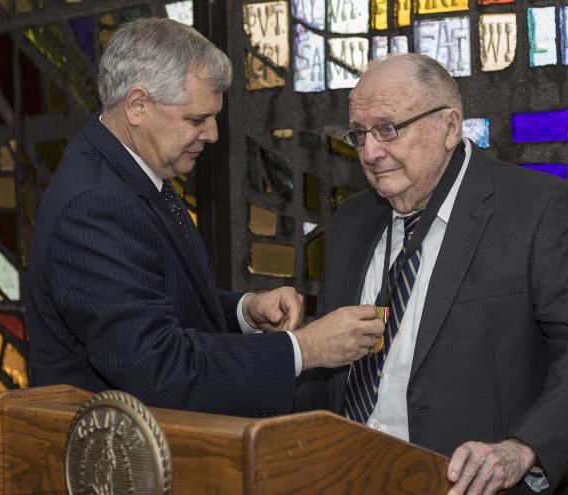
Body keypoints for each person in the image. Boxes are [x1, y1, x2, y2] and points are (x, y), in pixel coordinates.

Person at [294, 53, 568, 494]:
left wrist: (519, 449)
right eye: (360, 135)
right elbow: (328, 375)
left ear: (450, 126)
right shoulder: (354, 218)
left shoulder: (537, 207)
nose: (371, 152)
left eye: (388, 129)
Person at [26, 18, 384, 418]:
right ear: (138, 106)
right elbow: (158, 369)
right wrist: (307, 348)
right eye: (196, 119)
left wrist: (243, 312)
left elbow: (151, 295)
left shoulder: (130, 166)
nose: (212, 134)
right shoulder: (96, 202)